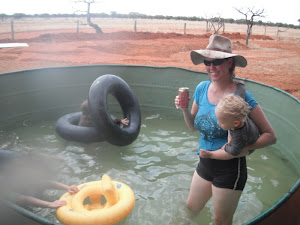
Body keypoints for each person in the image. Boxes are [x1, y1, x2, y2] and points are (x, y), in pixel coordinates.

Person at [174, 34, 277, 225]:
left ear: (230, 63)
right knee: (191, 209)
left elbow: (271, 136)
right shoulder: (202, 88)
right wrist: (184, 109)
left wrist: (243, 149)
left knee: (221, 221)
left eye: (217, 62)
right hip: (204, 162)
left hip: (230, 169)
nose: (211, 67)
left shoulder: (241, 96)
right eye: (207, 62)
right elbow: (192, 127)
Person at [200, 93, 260, 160]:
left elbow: (234, 151)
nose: (218, 123)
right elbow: (240, 92)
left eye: (221, 122)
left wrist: (226, 147)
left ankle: (211, 154)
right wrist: (240, 84)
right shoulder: (240, 114)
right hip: (249, 130)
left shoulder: (239, 135)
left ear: (236, 123)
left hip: (247, 146)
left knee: (229, 154)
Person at [9, 180, 79, 209]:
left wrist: (67, 187)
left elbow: (45, 182)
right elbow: (24, 199)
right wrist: (49, 204)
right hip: (23, 205)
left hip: (32, 193)